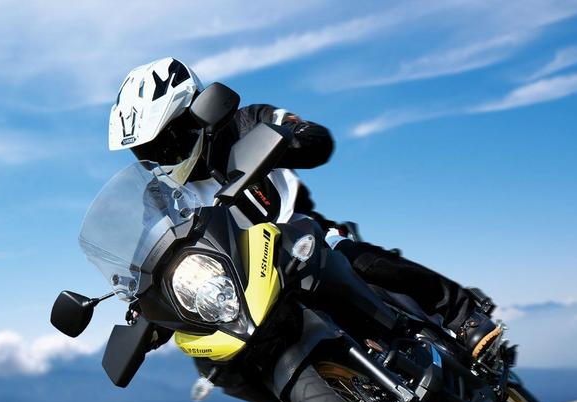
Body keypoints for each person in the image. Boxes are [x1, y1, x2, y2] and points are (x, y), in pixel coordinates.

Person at [108, 57, 503, 360]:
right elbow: (154, 253)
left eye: (165, 140)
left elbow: (309, 135)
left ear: (197, 113)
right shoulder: (158, 196)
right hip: (240, 287)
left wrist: (297, 137)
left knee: (349, 255)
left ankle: (461, 312)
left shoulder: (246, 123)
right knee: (220, 364)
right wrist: (145, 305)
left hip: (299, 237)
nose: (159, 155)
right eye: (147, 150)